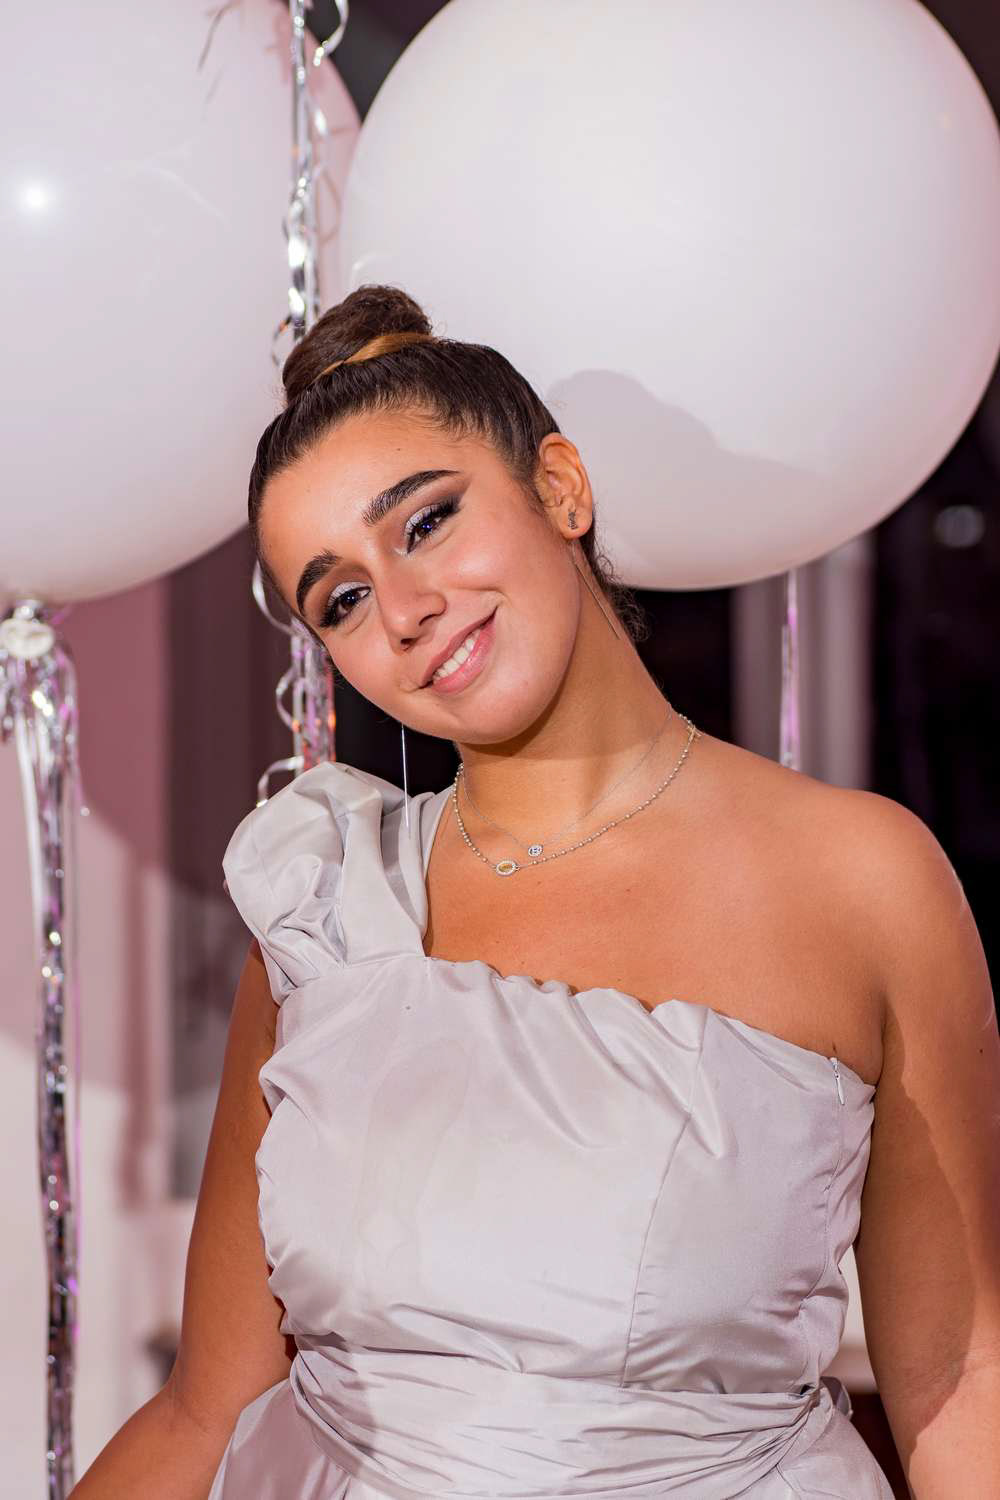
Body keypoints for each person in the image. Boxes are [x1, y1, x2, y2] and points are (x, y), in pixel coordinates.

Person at [72, 285, 1000, 1498]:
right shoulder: (325, 911)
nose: (405, 612)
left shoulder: (861, 880)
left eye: (427, 522)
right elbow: (206, 1412)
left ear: (560, 487)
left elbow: (959, 1376)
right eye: (341, 599)